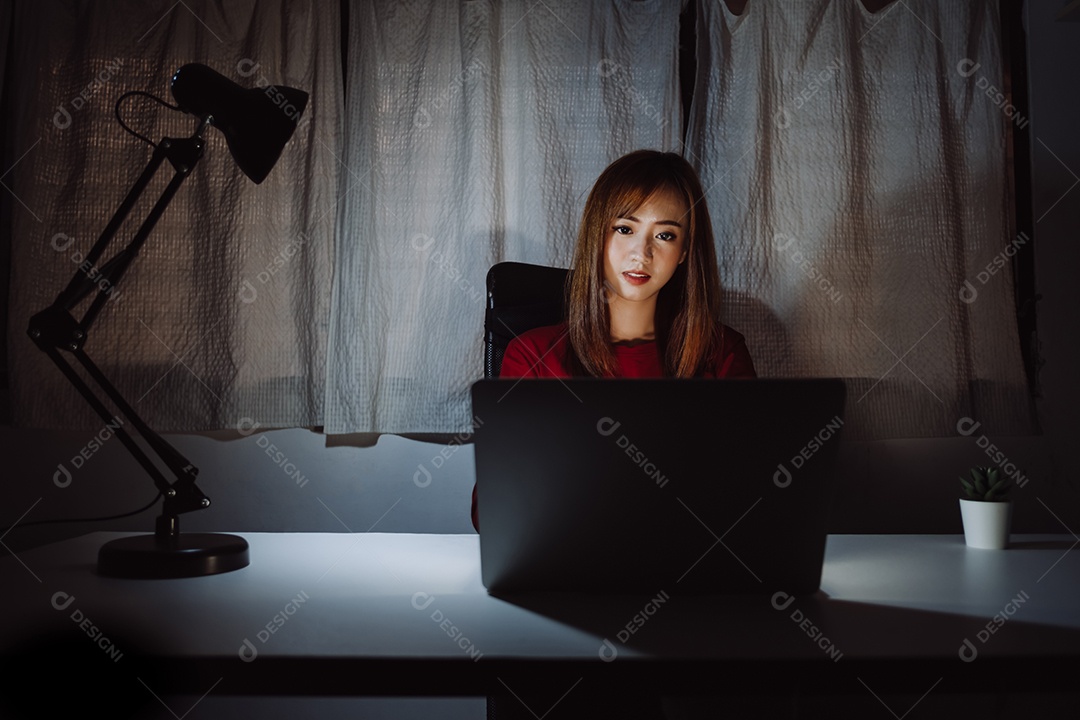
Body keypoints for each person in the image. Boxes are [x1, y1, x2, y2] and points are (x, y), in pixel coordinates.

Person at [472, 149, 756, 532]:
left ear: (685, 251)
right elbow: (491, 508)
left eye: (665, 235)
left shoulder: (722, 353)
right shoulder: (533, 354)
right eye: (625, 229)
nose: (642, 253)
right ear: (598, 235)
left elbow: (753, 499)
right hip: (569, 564)